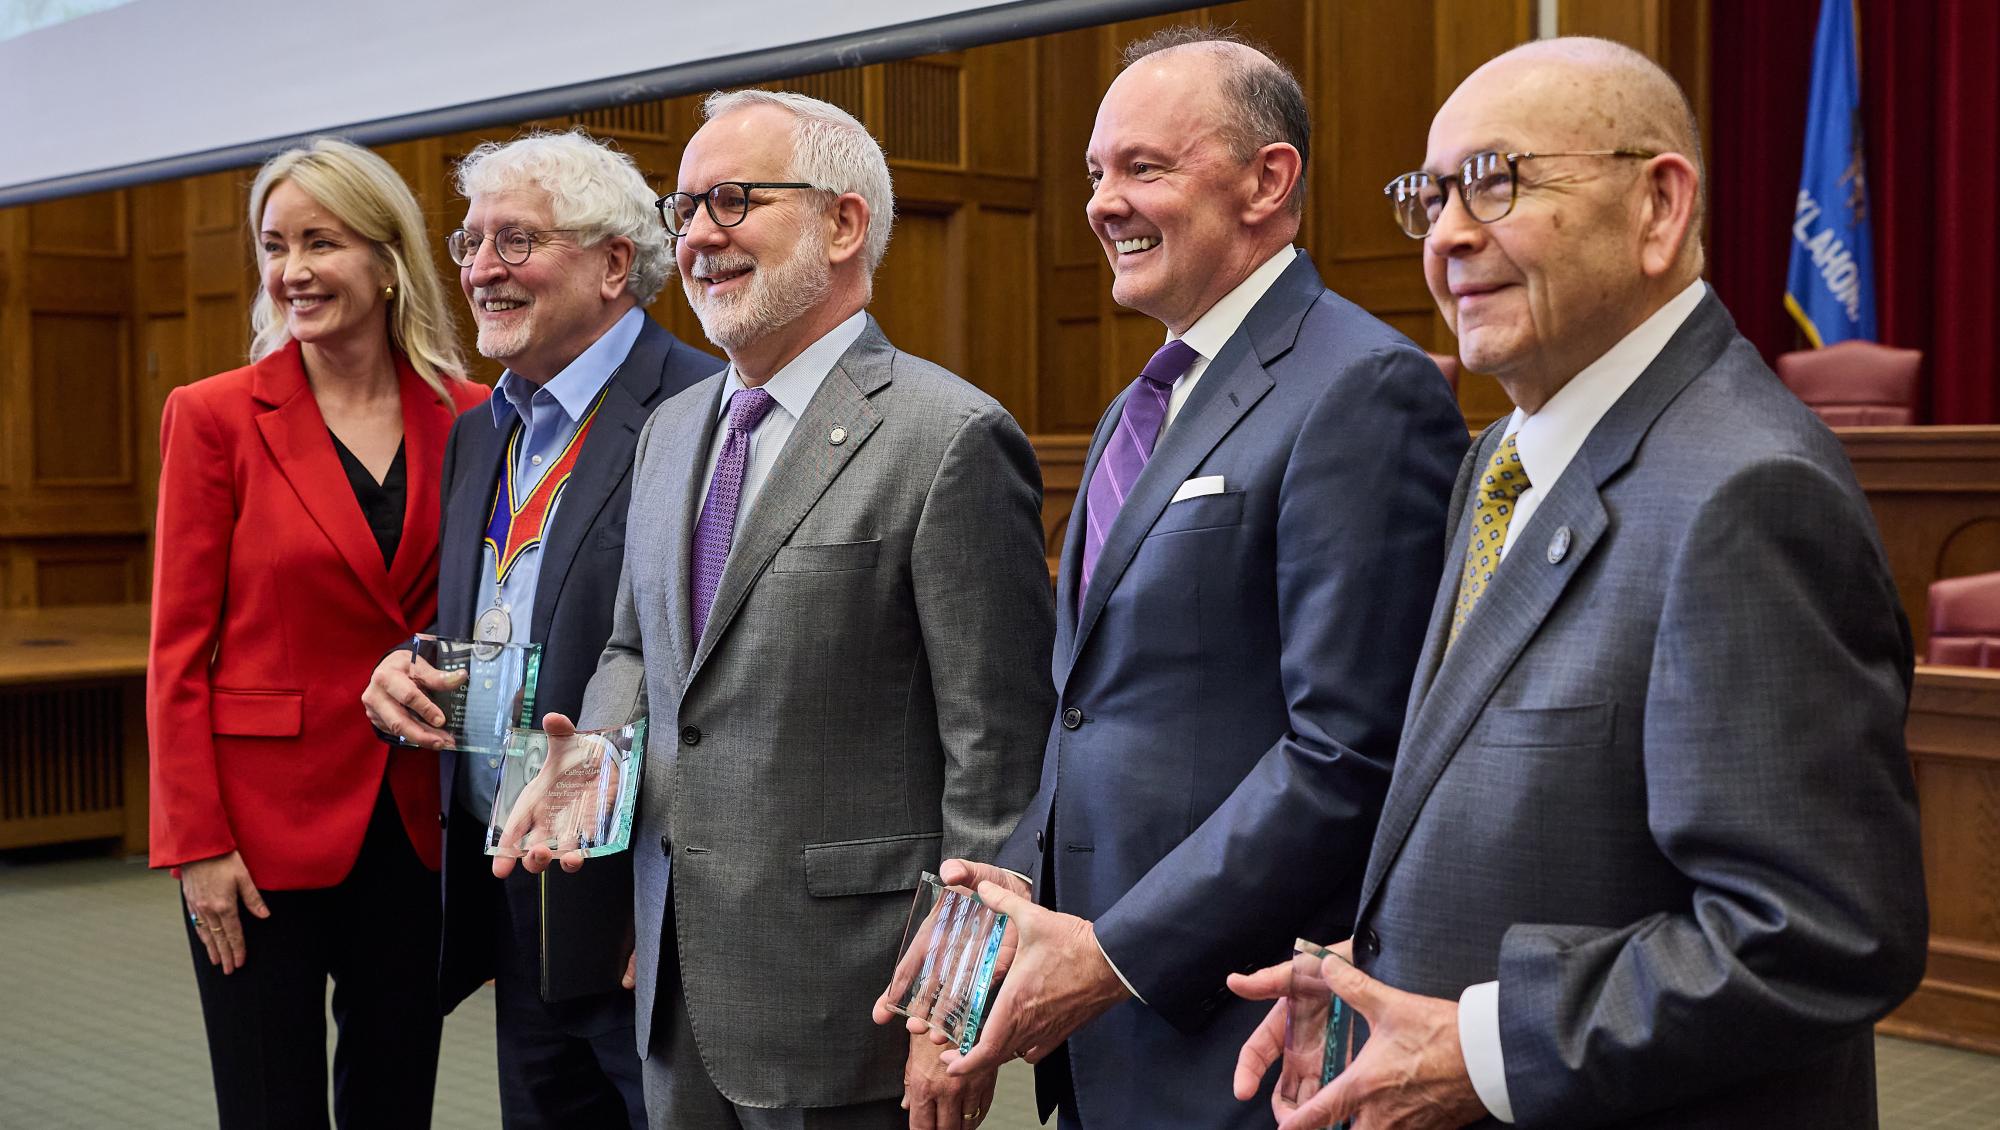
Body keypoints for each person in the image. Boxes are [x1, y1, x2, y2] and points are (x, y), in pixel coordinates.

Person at [1230, 37, 1928, 1130]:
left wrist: (1478, 1044)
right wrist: (1363, 973)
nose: (1449, 234)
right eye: (1431, 194)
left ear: (1657, 206)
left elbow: (1816, 931)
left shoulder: (1746, 493)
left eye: (1496, 182)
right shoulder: (1499, 456)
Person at [922, 26, 1467, 1130]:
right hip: (1097, 1024)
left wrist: (1114, 953)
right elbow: (1085, 710)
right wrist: (1000, 924)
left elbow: (1343, 752)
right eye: (1092, 173)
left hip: (1242, 1040)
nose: (1099, 202)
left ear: (1268, 181)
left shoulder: (1361, 387)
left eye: (1142, 167)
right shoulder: (1146, 398)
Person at [501, 90, 1056, 1130]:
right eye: (686, 207)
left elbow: (996, 763)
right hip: (675, 981)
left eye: (733, 200)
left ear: (843, 224)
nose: (698, 234)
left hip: (859, 1009)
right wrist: (581, 774)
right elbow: (638, 647)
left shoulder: (948, 437)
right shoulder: (667, 432)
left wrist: (954, 1003)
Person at [360, 130, 717, 1128]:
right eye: (469, 241)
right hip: (518, 892)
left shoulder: (704, 407)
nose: (478, 269)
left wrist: (675, 902)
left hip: (647, 905)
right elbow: (494, 617)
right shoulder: (483, 425)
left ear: (613, 262)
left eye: (513, 241)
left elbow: (732, 678)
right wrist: (407, 667)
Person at [148, 137, 486, 1129]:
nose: (292, 269)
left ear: (387, 261)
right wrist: (194, 845)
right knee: (269, 1108)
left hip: (416, 826)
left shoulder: (469, 416)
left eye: (320, 242)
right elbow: (176, 651)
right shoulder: (212, 416)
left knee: (394, 1106)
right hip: (253, 839)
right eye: (275, 244)